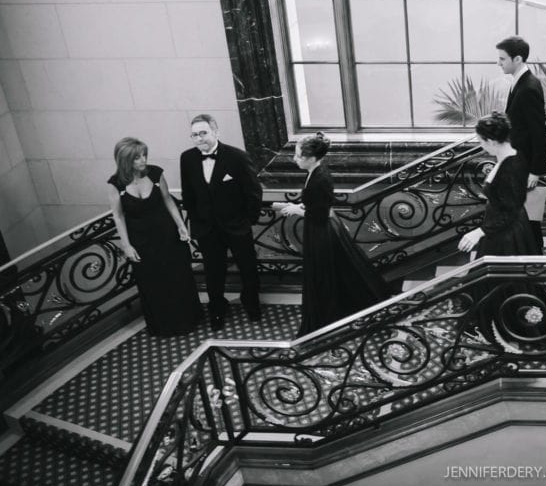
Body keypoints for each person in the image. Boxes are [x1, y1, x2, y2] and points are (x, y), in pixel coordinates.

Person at [278, 133, 390, 336]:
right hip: (322, 227)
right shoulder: (315, 171)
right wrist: (299, 205)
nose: (294, 159)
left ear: (311, 157)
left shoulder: (319, 177)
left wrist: (295, 210)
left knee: (324, 274)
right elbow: (318, 202)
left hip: (321, 230)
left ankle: (329, 319)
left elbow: (318, 214)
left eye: (298, 155)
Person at [107, 138, 202, 336]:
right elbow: (118, 215)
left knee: (178, 278)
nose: (143, 160)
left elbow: (168, 200)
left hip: (167, 235)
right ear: (125, 160)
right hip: (141, 241)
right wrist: (126, 246)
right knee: (152, 284)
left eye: (144, 155)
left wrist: (181, 226)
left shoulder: (156, 173)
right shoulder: (116, 183)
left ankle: (189, 319)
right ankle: (163, 326)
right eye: (137, 158)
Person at [180, 114, 263, 330]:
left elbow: (254, 192)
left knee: (248, 268)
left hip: (237, 226)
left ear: (216, 132)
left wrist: (248, 220)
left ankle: (251, 304)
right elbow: (188, 195)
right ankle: (217, 309)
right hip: (207, 229)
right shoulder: (187, 158)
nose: (199, 138)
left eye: (203, 133)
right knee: (213, 272)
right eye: (194, 135)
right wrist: (198, 222)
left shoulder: (237, 157)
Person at [458, 113, 541, 256]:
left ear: (491, 141)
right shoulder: (514, 155)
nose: (481, 146)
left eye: (481, 142)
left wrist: (480, 232)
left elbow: (510, 211)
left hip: (507, 234)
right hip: (502, 226)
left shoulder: (510, 168)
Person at [497, 35, 546, 248]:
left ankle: (533, 254)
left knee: (529, 215)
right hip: (518, 161)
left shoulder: (528, 87)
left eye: (502, 59)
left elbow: (539, 133)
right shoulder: (519, 83)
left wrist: (535, 171)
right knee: (523, 213)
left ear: (517, 59)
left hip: (525, 164)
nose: (498, 63)